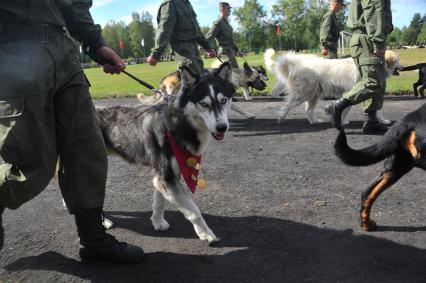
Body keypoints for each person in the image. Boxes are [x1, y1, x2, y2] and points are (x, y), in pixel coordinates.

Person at [0, 0, 144, 263]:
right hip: (12, 52)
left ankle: (93, 239)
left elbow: (75, 4)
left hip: (64, 54)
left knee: (88, 150)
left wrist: (96, 43)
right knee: (31, 165)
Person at [325, 0, 393, 134]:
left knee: (378, 81)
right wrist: (378, 41)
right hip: (368, 38)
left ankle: (371, 122)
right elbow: (373, 10)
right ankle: (337, 106)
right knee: (372, 82)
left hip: (366, 37)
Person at [147, 0, 217, 76]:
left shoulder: (187, 3)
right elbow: (164, 30)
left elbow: (196, 30)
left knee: (201, 78)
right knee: (194, 79)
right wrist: (156, 54)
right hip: (182, 49)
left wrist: (208, 48)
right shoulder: (170, 3)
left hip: (194, 49)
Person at [206, 2, 241, 69]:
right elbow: (208, 37)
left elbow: (230, 40)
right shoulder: (218, 22)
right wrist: (208, 50)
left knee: (236, 72)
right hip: (224, 53)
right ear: (223, 9)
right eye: (228, 9)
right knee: (232, 73)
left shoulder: (226, 23)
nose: (230, 11)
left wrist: (237, 50)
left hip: (230, 52)